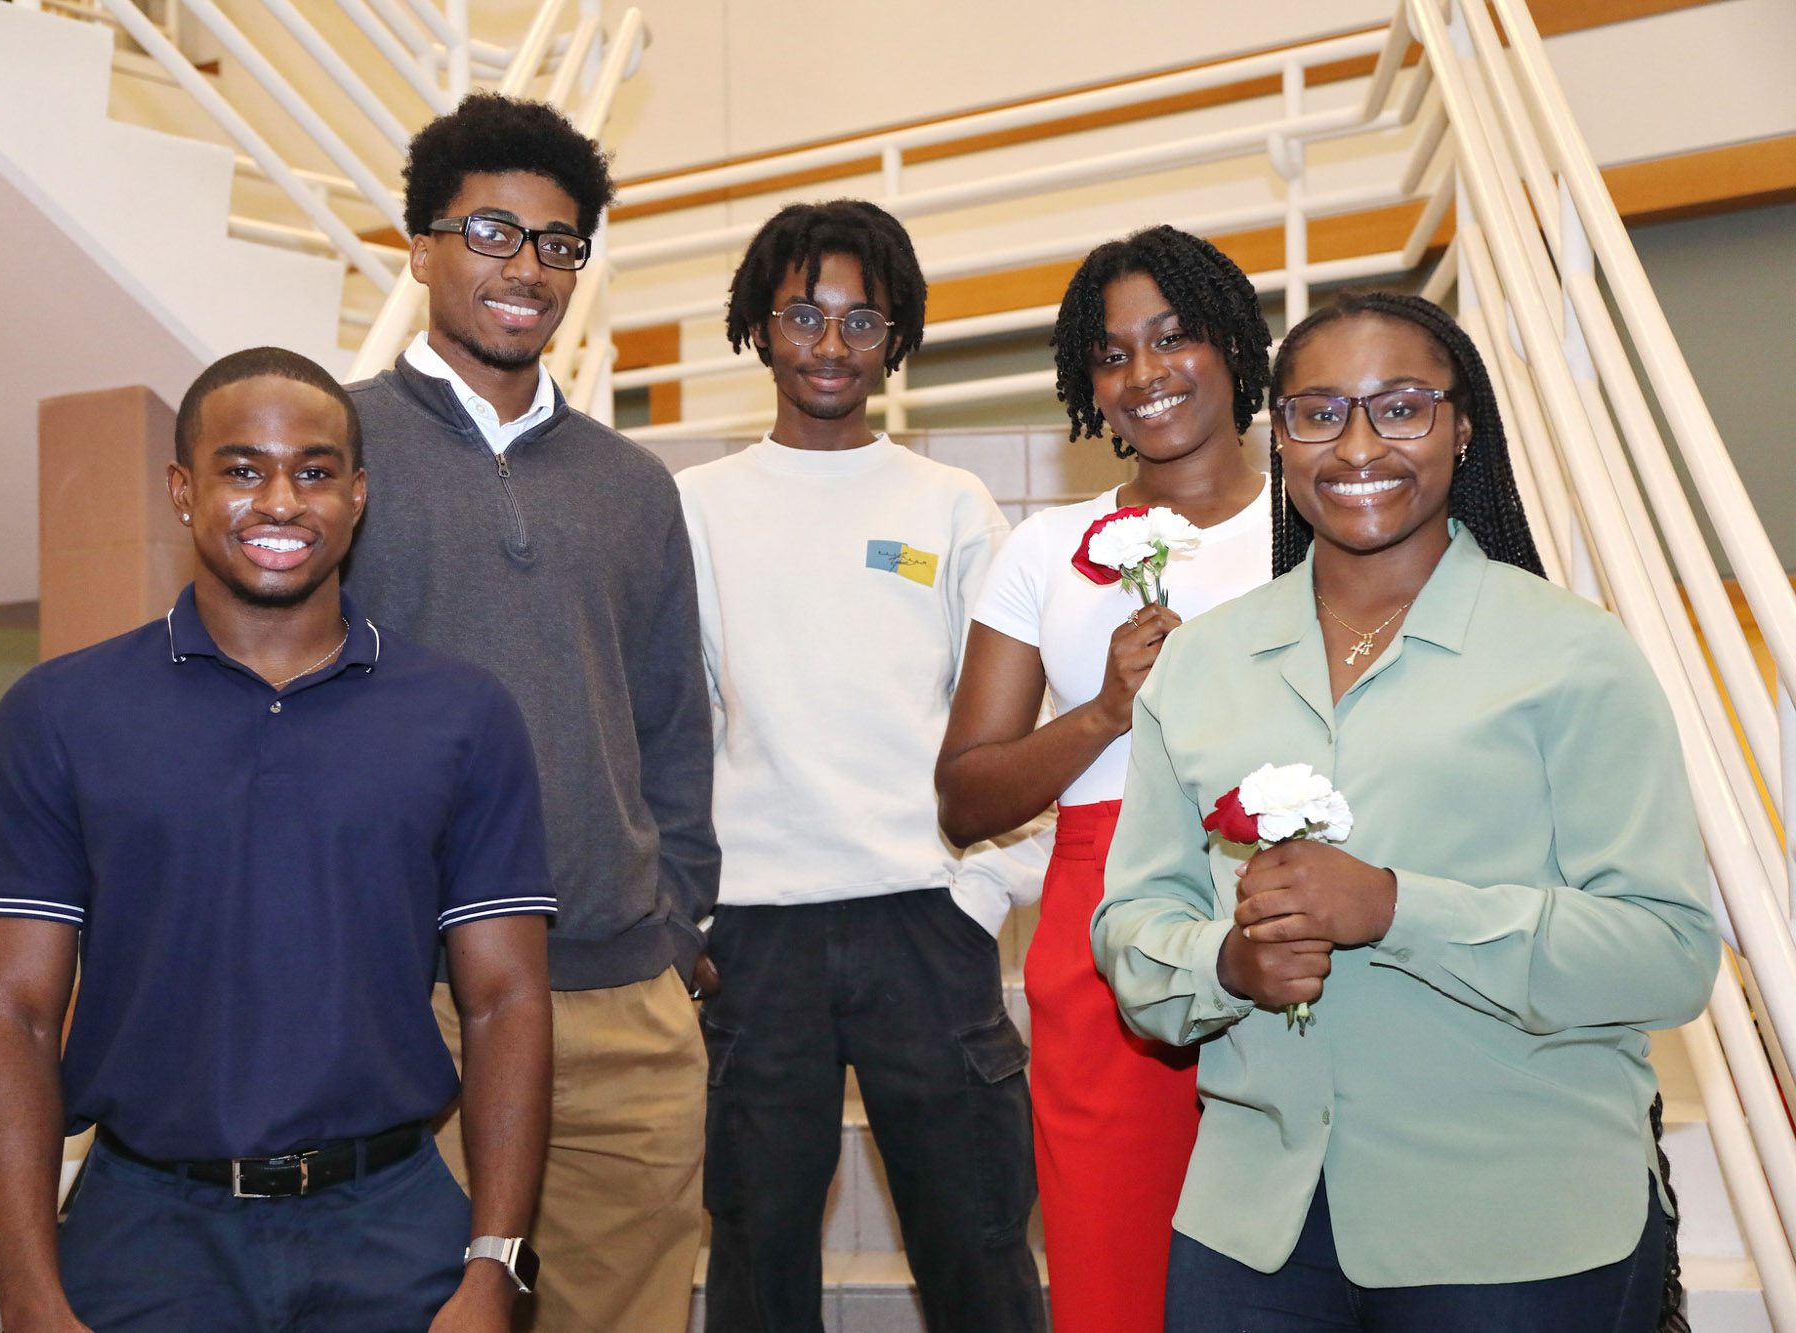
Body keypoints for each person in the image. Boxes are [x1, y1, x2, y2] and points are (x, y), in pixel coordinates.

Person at [1092, 290, 1720, 1330]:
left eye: (1399, 407)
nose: (1356, 445)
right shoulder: (1201, 664)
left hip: (1512, 1224)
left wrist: (1395, 907)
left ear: (1460, 425)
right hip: (1254, 1227)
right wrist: (1226, 965)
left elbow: (1663, 952)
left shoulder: (1569, 652)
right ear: (1279, 438)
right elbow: (1130, 928)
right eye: (1317, 411)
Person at [0, 347, 555, 1332]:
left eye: (314, 471)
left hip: (394, 1227)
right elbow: (13, 1015)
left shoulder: (462, 715)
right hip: (147, 1232)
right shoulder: (58, 714)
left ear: (356, 495)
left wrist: (492, 1266)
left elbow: (503, 1000)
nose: (281, 499)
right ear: (183, 491)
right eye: (243, 469)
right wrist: (26, 1290)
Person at [343, 93, 720, 1332]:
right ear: (420, 245)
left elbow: (672, 724)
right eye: (493, 231)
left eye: (558, 244)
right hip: (410, 994)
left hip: (621, 992)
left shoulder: (631, 486)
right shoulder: (336, 449)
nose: (529, 268)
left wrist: (673, 923)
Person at [674, 199, 1047, 1332]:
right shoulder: (692, 508)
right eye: (801, 314)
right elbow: (672, 726)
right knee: (754, 1257)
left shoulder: (948, 503)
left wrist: (979, 893)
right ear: (757, 326)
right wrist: (689, 920)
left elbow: (1015, 722)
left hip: (922, 921)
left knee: (977, 1246)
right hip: (754, 934)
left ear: (895, 337)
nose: (829, 345)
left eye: (860, 320)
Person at [935, 225, 1273, 1331]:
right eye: (1113, 353)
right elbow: (966, 794)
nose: (1145, 374)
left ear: (1231, 343)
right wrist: (1102, 715)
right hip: (1102, 920)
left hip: (1290, 900)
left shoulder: (1322, 520)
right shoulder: (1044, 548)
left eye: (1172, 338)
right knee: (1114, 1268)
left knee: (1298, 1262)